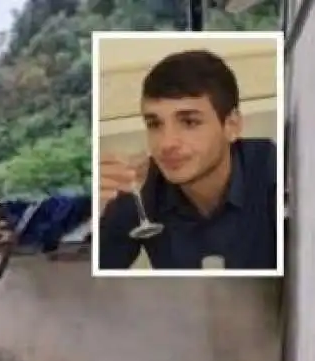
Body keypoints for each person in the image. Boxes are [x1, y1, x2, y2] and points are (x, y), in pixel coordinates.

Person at [98, 49, 278, 270]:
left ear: (232, 126)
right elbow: (91, 284)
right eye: (155, 124)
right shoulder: (141, 189)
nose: (166, 144)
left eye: (189, 122)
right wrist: (97, 211)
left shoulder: (276, 174)